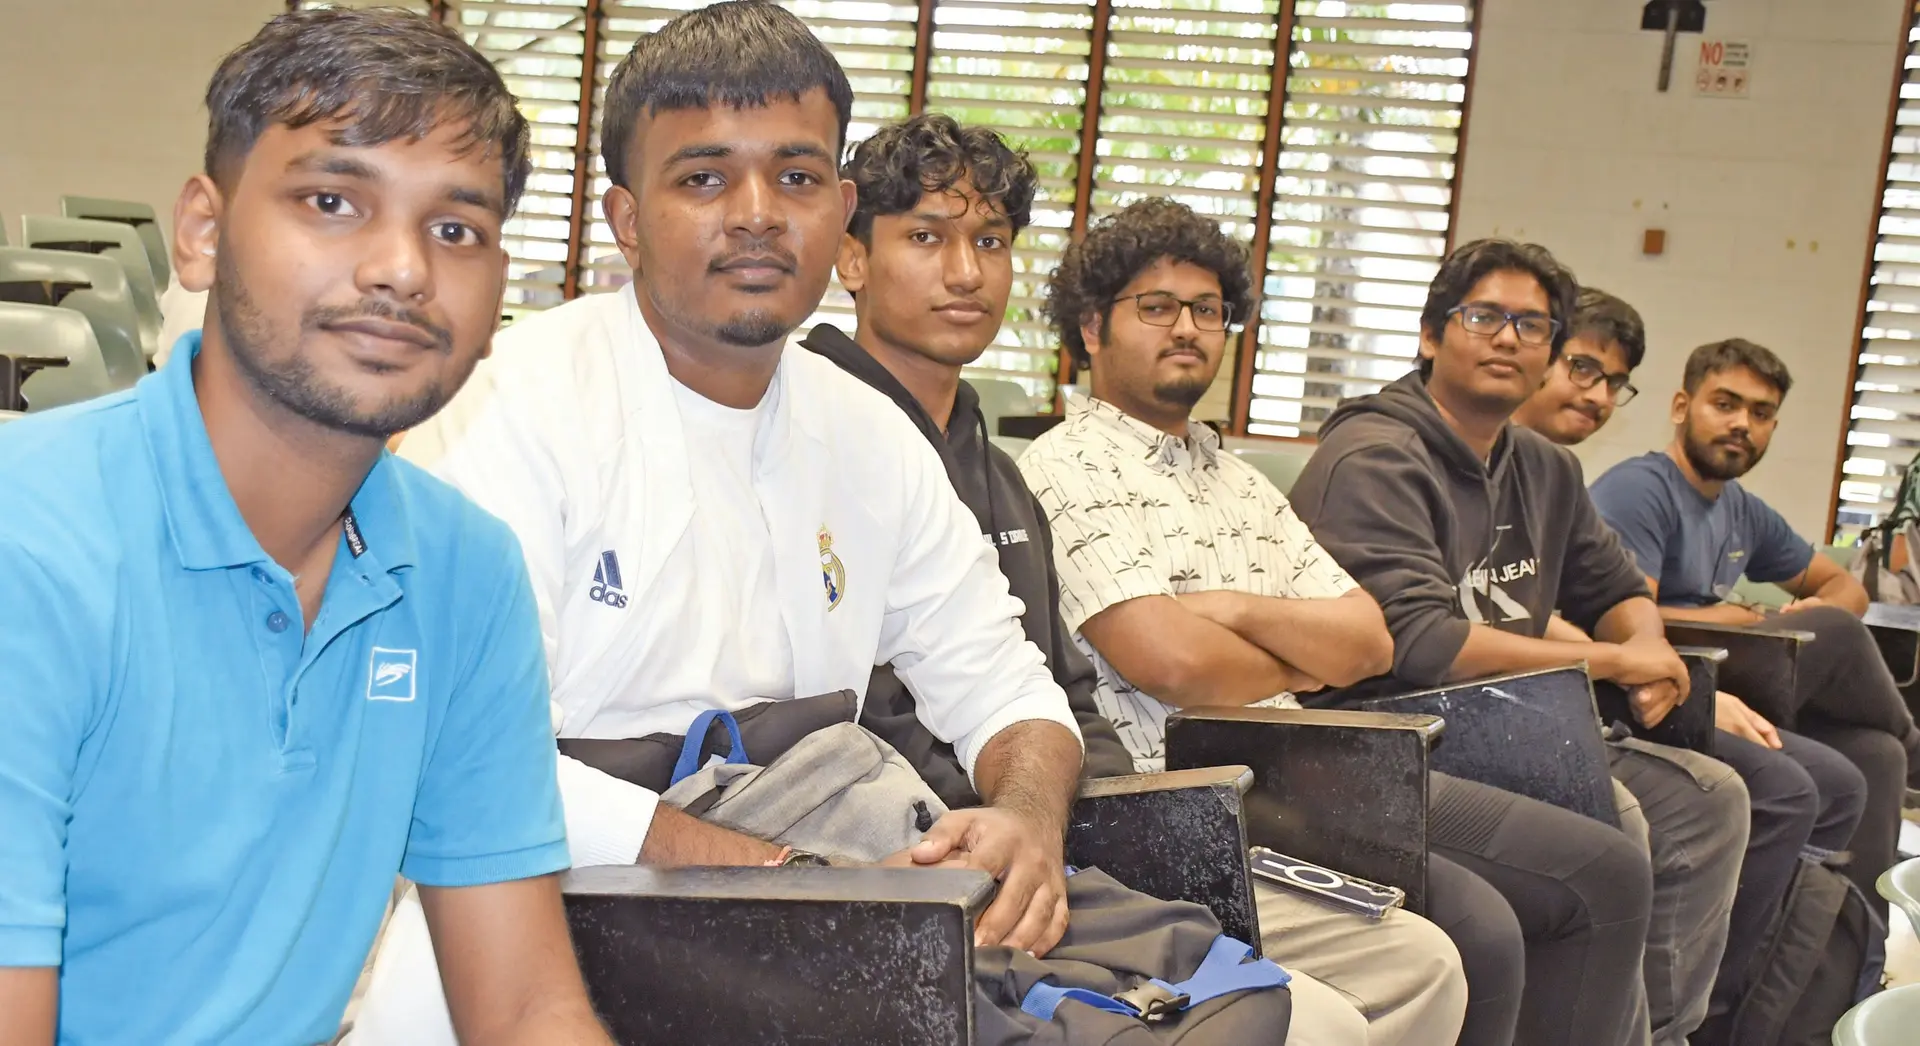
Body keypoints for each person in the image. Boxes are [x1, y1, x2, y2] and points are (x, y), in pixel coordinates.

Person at [360, 6, 1281, 1042]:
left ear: (838, 209)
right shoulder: (507, 406)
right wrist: (797, 886)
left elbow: (1003, 678)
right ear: (626, 218)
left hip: (832, 850)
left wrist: (1025, 815)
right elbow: (462, 761)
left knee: (1233, 1007)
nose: (757, 214)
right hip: (565, 893)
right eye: (703, 178)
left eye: (795, 178)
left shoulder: (869, 434)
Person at [0, 10, 612, 1045]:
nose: (402, 269)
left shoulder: (462, 569)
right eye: (333, 201)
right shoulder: (31, 539)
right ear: (202, 229)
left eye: (455, 229)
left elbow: (523, 1006)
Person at [804, 117, 1465, 1046]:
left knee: (1427, 959)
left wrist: (1131, 816)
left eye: (989, 242)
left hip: (1080, 813)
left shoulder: (994, 469)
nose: (964, 272)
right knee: (1323, 1021)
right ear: (851, 257)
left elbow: (1060, 693)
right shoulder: (812, 432)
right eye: (925, 237)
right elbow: (857, 710)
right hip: (923, 841)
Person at [1016, 199, 1537, 1045]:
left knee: (1476, 938)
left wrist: (1229, 612)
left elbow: (1369, 642)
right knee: (1469, 937)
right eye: (1156, 306)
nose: (1187, 327)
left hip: (1309, 789)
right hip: (1176, 809)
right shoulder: (1063, 468)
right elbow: (1171, 663)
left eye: (1209, 309)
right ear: (1090, 327)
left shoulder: (1241, 480)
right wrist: (1299, 658)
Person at [1289, 239, 1751, 1046]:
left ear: (1548, 355)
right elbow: (1420, 643)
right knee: (1624, 823)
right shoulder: (1374, 455)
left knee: (1716, 800)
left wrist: (1653, 650)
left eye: (1531, 326)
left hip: (1520, 717)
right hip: (1392, 732)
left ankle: (1663, 1033)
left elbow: (1615, 591)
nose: (1508, 338)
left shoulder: (1542, 465)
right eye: (1485, 317)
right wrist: (1614, 661)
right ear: (1432, 336)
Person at [1514, 292, 1869, 1045]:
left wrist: (1671, 663)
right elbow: (1516, 620)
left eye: (1612, 381)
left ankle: (1797, 999)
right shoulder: (1634, 488)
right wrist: (1679, 660)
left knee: (1859, 766)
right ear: (1683, 407)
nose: (1595, 393)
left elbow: (1612, 607)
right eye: (1580, 368)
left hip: (1641, 681)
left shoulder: (1557, 477)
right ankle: (1705, 1026)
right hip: (1566, 700)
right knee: (1776, 785)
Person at [1588, 337, 1919, 908]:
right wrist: (1726, 616)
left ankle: (1850, 940)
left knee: (1876, 753)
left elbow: (1844, 588)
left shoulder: (1742, 508)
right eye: (1726, 404)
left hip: (1736, 672)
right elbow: (1620, 617)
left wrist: (1801, 612)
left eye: (1761, 414)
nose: (1742, 423)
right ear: (1681, 407)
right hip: (1661, 685)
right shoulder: (1641, 489)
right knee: (1836, 635)